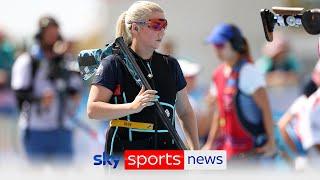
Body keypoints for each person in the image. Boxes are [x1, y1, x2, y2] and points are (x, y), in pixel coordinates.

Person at [87, 1, 199, 156]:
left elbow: (185, 111)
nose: (162, 31)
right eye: (156, 25)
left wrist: (195, 151)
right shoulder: (113, 63)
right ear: (135, 28)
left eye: (164, 25)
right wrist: (132, 107)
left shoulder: (171, 65)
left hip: (167, 155)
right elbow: (92, 110)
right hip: (126, 156)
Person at [11, 16, 83, 163]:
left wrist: (74, 95)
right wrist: (39, 99)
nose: (52, 38)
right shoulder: (27, 61)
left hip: (62, 129)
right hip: (36, 129)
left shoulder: (67, 61)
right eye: (48, 33)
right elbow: (19, 94)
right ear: (40, 35)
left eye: (55, 33)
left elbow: (74, 88)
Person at [202, 23, 276, 160]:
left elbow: (265, 108)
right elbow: (219, 112)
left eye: (220, 45)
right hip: (231, 150)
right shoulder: (217, 74)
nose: (216, 50)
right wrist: (210, 143)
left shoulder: (248, 71)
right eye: (214, 45)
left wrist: (271, 143)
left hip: (253, 151)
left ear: (235, 45)